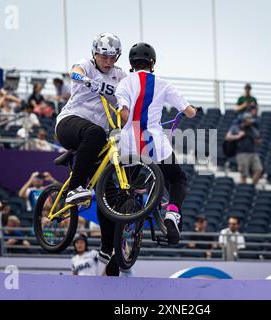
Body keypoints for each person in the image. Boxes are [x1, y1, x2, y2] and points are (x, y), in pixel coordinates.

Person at [115, 41, 197, 248]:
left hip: (128, 143)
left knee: (129, 186)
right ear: (153, 63)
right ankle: (172, 213)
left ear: (131, 63)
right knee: (178, 179)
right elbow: (188, 110)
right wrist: (191, 110)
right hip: (154, 144)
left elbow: (123, 110)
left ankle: (125, 217)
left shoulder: (124, 83)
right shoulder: (162, 83)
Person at [55, 32, 126, 206]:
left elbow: (126, 106)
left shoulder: (120, 75)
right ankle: (75, 187)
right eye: (104, 57)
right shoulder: (87, 64)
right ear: (95, 53)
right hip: (70, 122)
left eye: (113, 57)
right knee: (96, 133)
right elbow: (74, 72)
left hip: (97, 136)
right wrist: (88, 81)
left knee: (109, 192)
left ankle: (112, 232)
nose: (109, 62)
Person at [225, 113, 263, 184]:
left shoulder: (253, 128)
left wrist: (257, 140)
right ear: (244, 120)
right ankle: (244, 189)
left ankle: (252, 186)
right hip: (242, 153)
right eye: (249, 120)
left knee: (259, 170)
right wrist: (238, 136)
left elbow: (259, 139)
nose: (251, 122)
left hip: (253, 152)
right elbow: (227, 137)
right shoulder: (237, 127)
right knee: (244, 174)